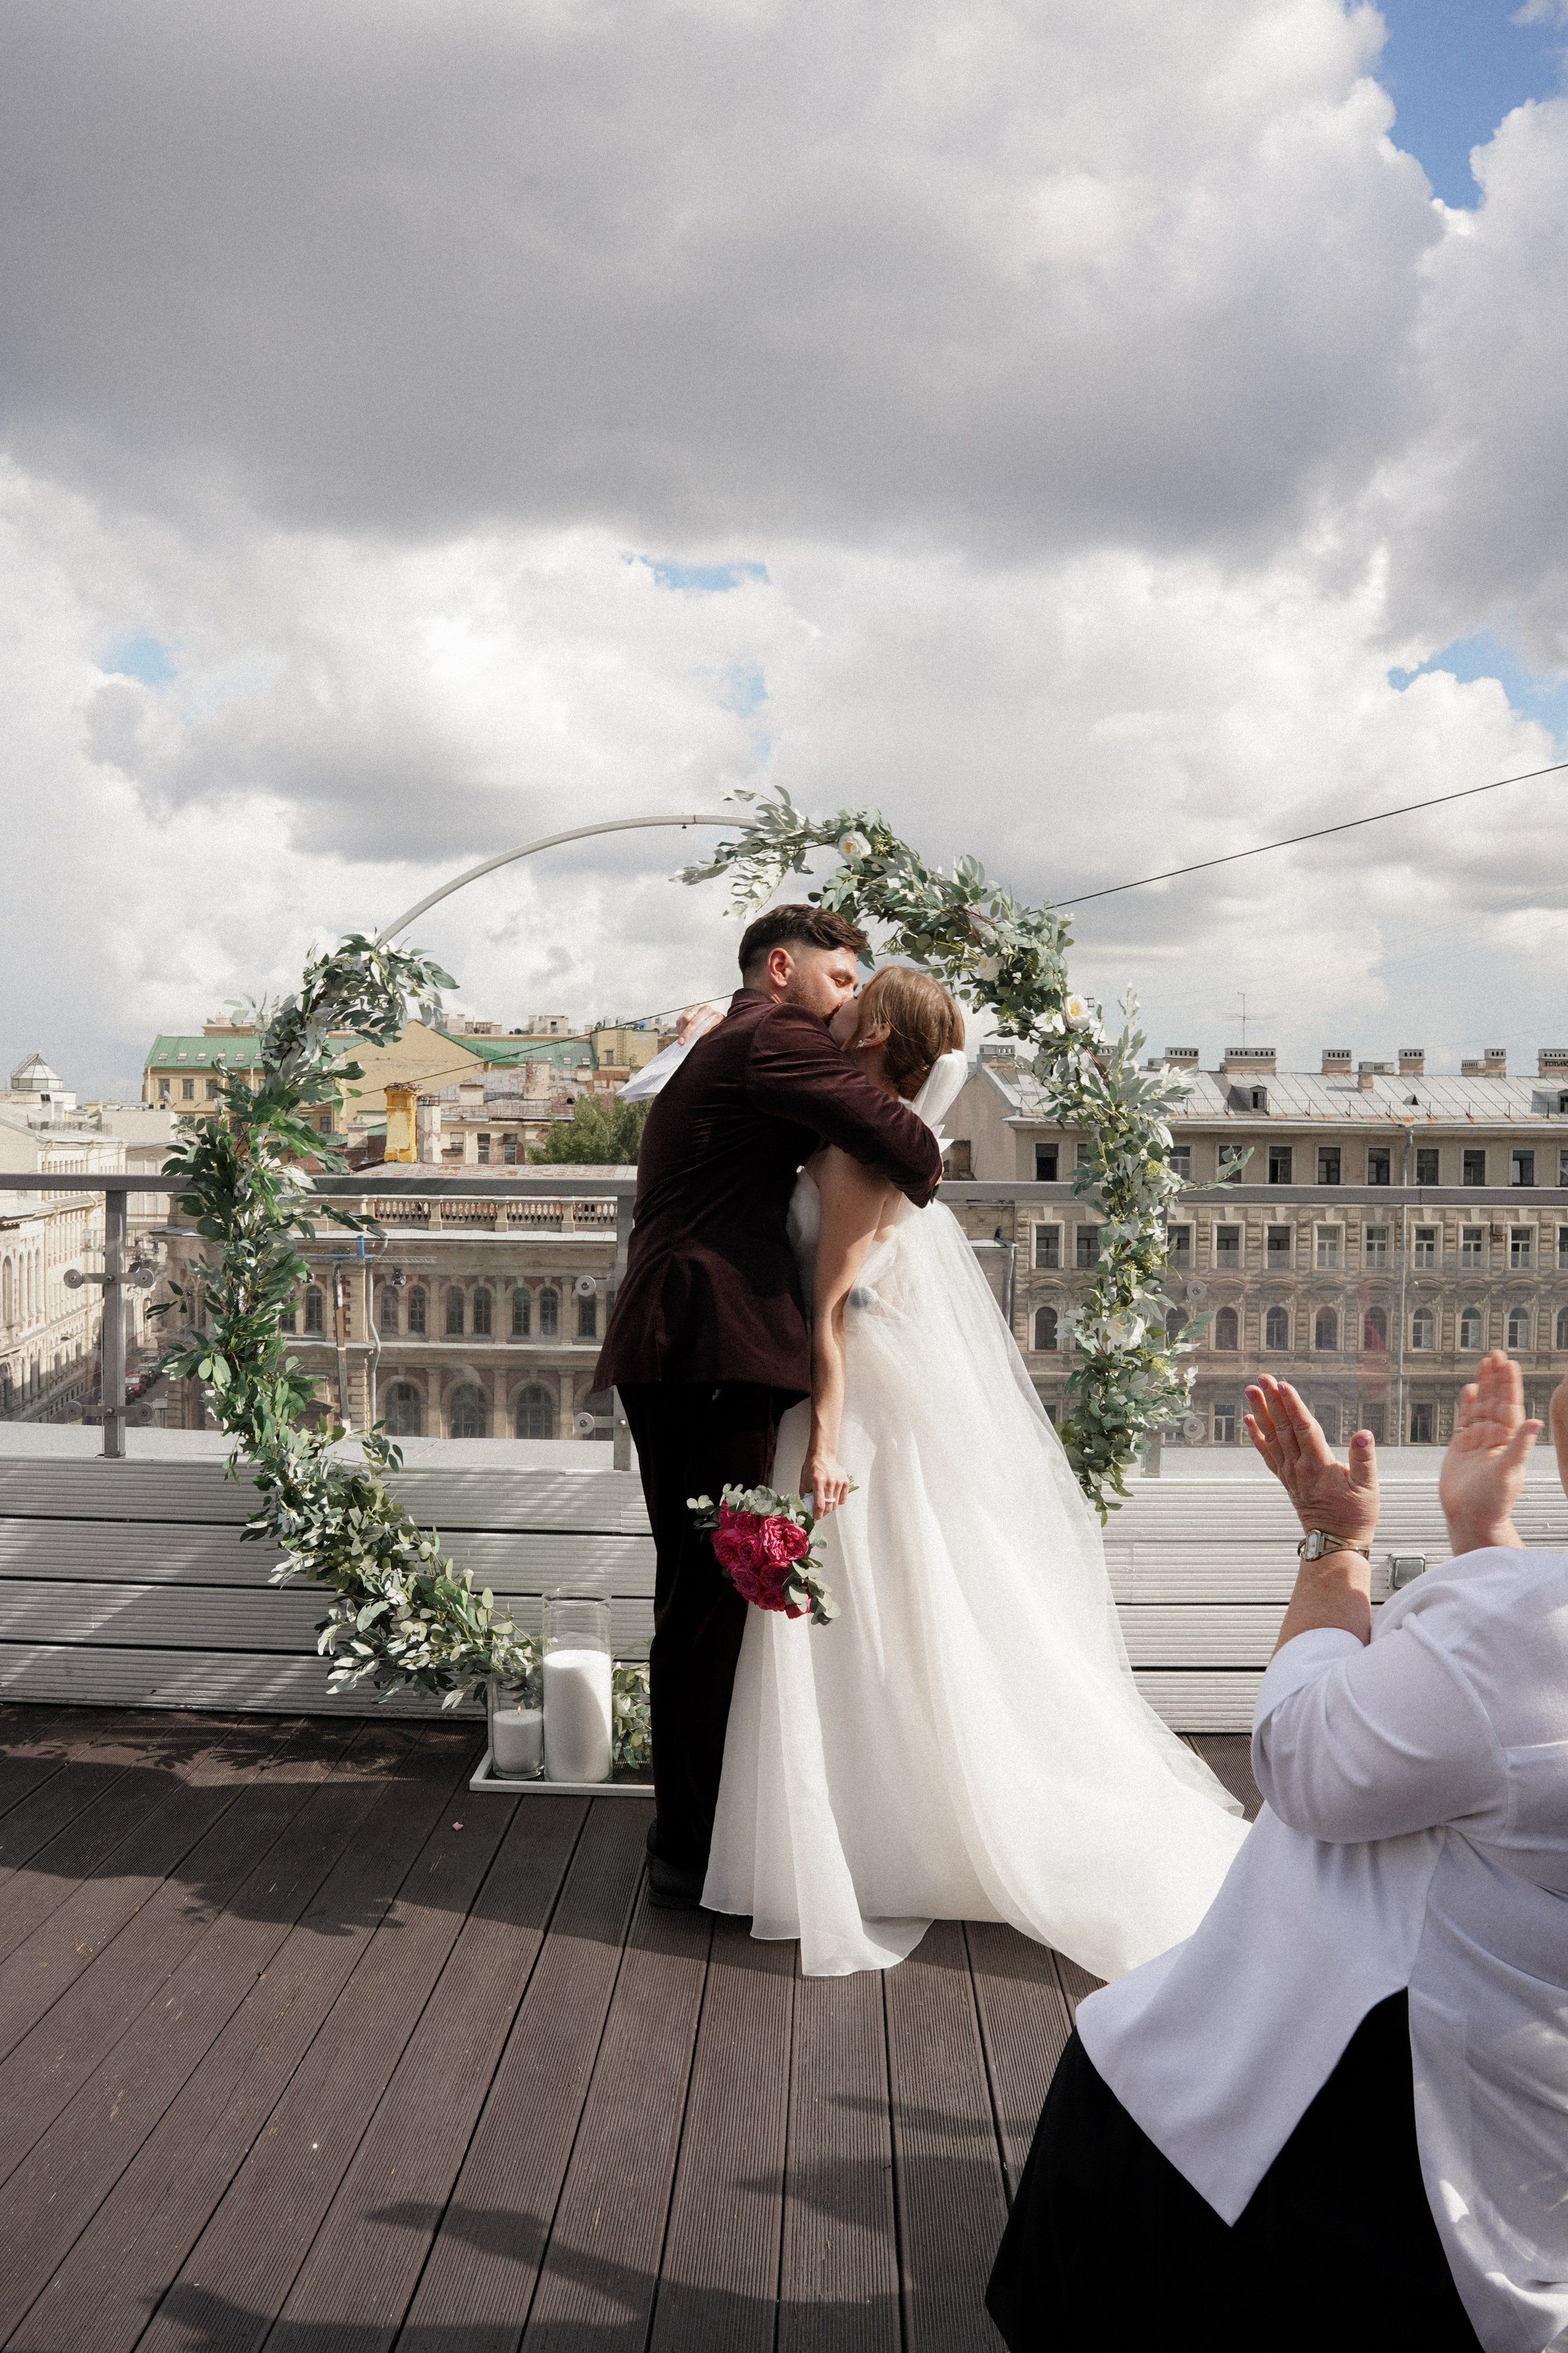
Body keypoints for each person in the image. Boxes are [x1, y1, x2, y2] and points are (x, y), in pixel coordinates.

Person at [988, 1351, 1568, 2353]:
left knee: (1121, 2063)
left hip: (1384, 2145)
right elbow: (1520, 1749)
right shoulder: (1522, 1627)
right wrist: (1485, 1538)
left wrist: (1333, 1545)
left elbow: (1304, 1753)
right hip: (1530, 2125)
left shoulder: (1519, 1627)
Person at [702, 965, 1250, 1977]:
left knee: (878, 1610)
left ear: (873, 1039)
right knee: (907, 1612)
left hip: (849, 1413)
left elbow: (834, 1311)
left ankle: (884, 1835)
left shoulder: (860, 1148)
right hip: (861, 1400)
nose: (840, 1008)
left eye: (855, 1005)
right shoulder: (883, 1128)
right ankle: (892, 1820)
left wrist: (822, 1443)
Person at [594, 905, 944, 1909]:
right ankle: (690, 1852)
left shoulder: (738, 1038)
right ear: (782, 969)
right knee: (709, 1607)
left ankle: (695, 1834)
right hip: (709, 1347)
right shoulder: (771, 1034)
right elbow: (906, 1147)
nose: (849, 1004)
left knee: (699, 1600)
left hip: (682, 1342)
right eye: (841, 981)